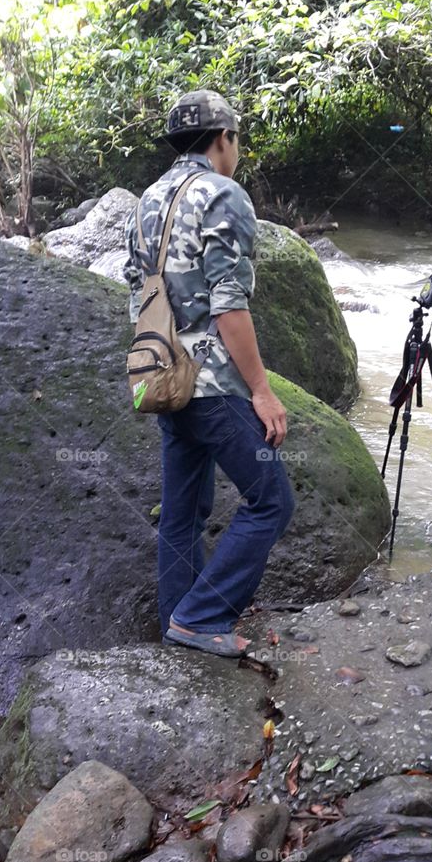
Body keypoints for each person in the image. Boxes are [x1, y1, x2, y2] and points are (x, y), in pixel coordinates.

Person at [123, 89, 294, 658]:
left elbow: (137, 292)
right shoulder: (225, 195)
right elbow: (229, 306)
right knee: (272, 499)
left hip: (163, 378)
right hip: (214, 385)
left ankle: (178, 621)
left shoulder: (146, 201)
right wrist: (263, 391)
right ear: (224, 139)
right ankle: (201, 617)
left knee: (182, 514)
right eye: (236, 140)